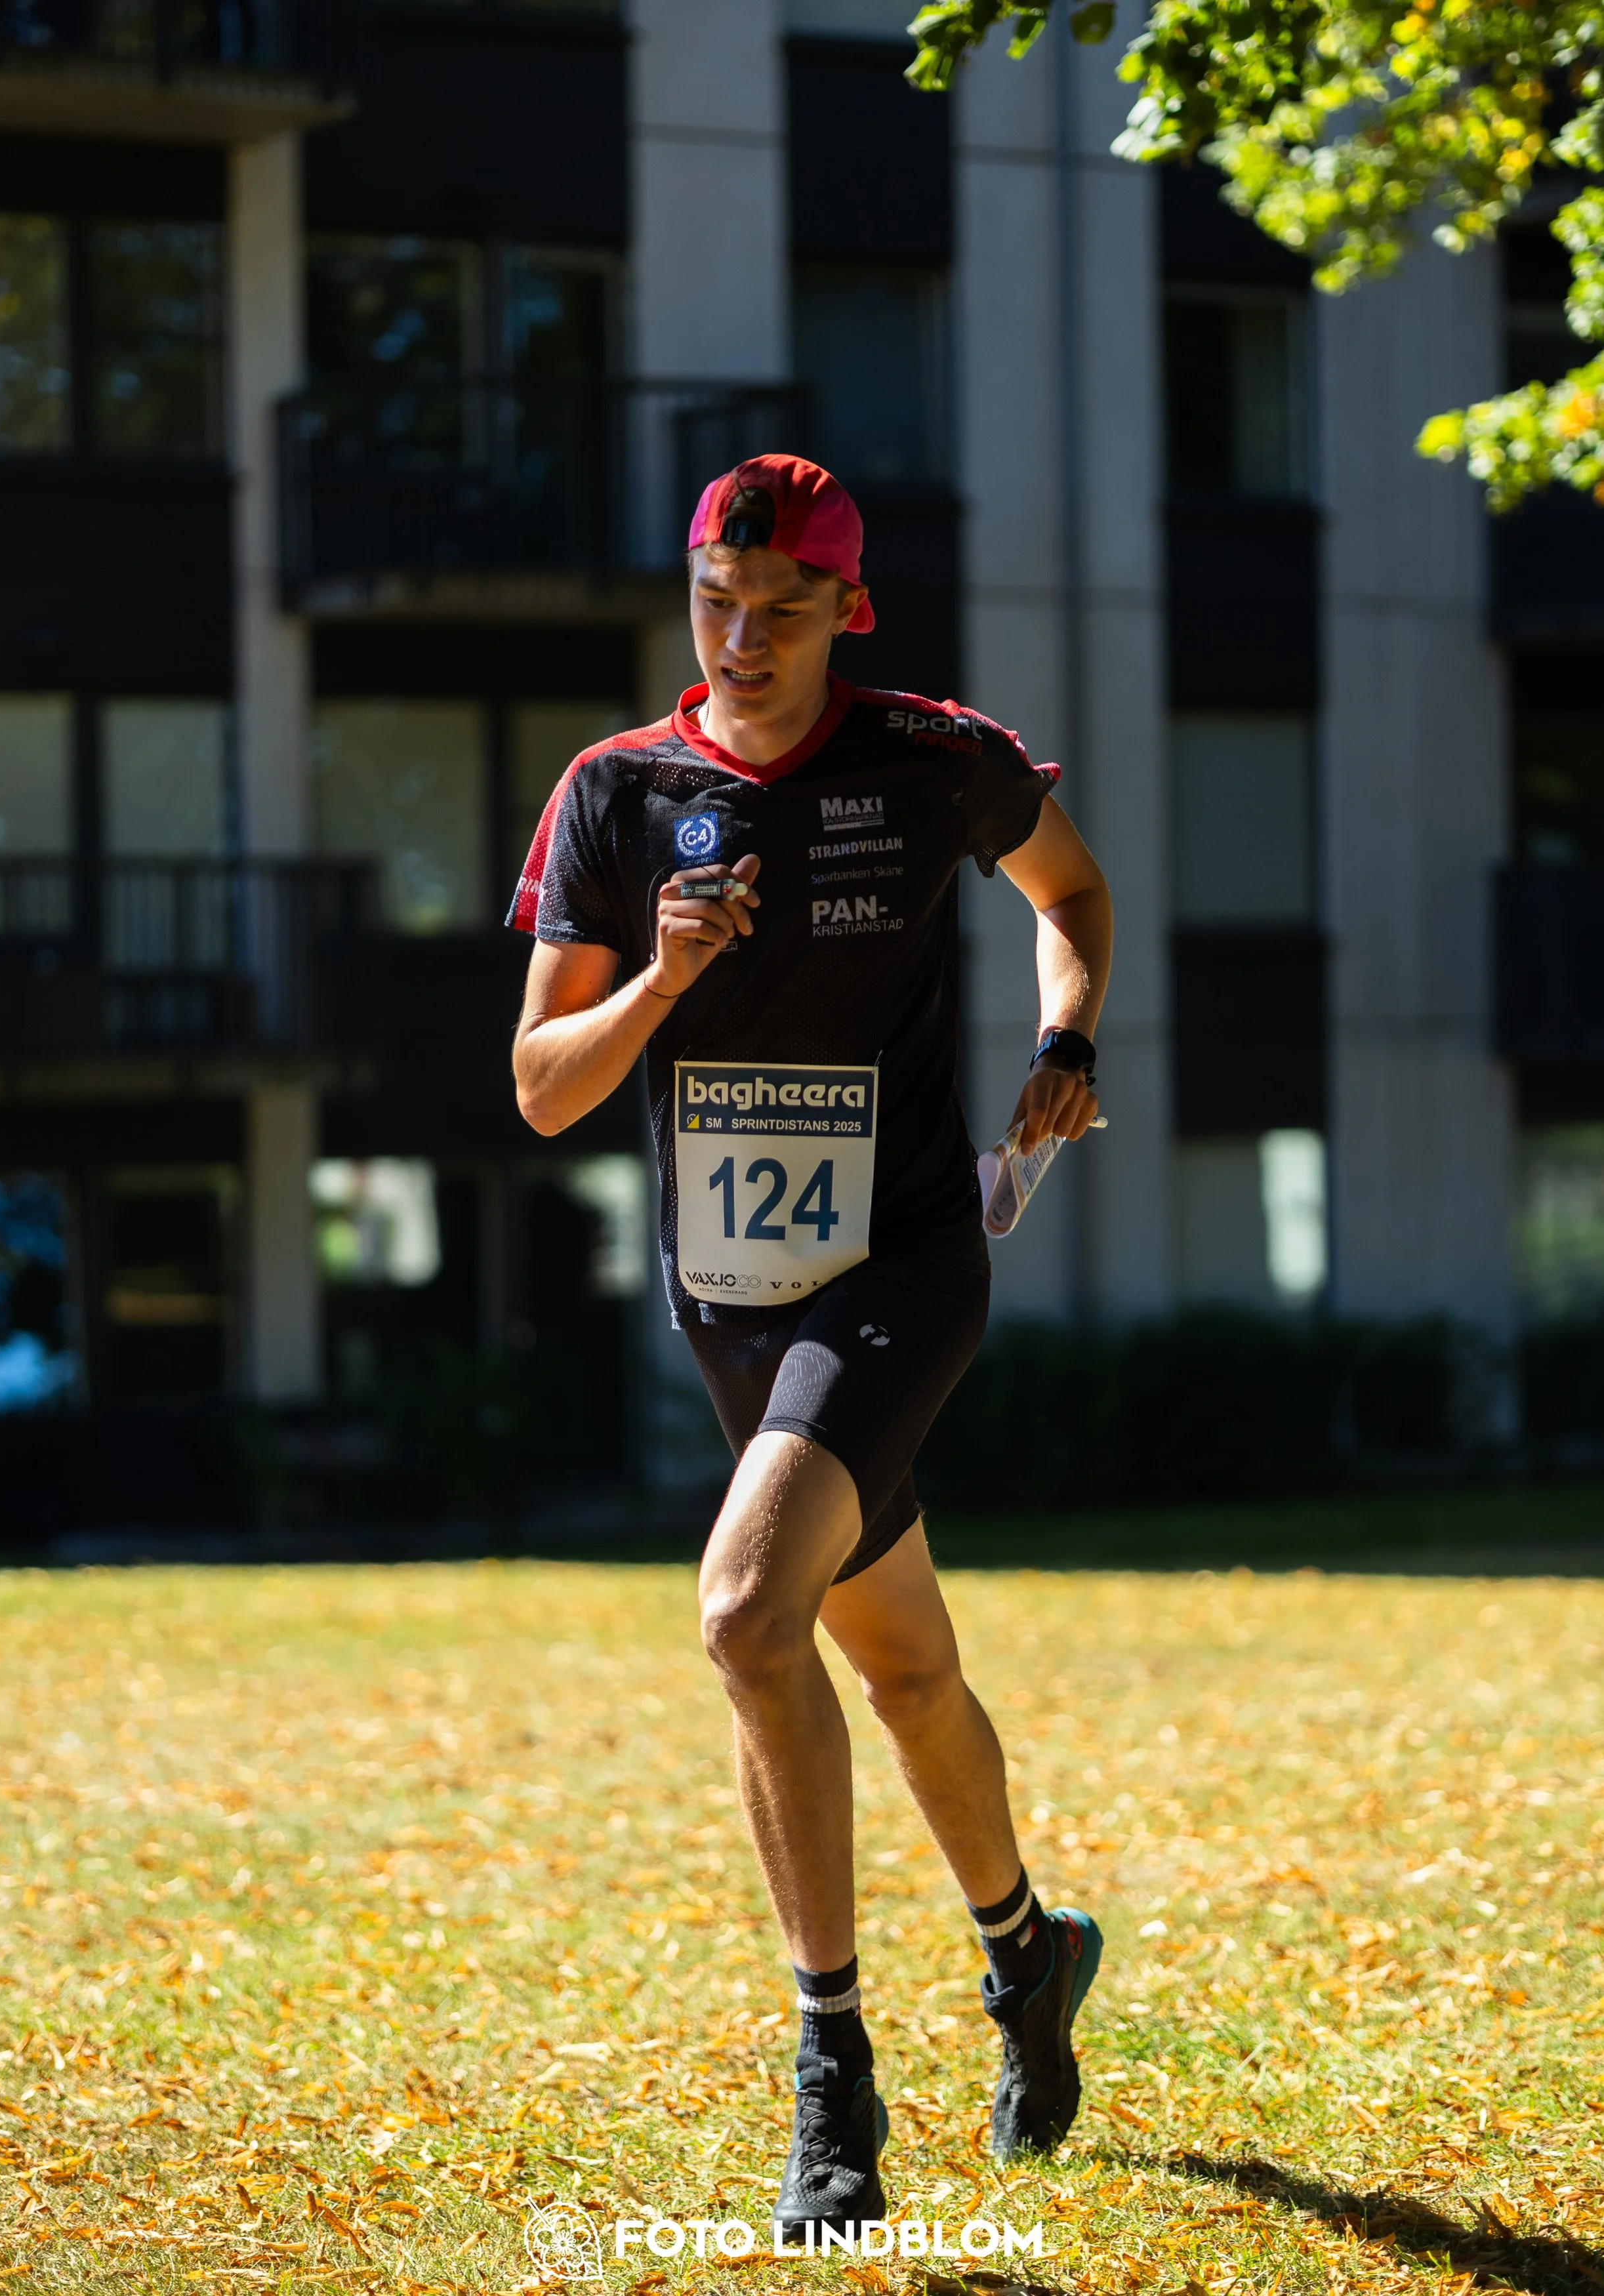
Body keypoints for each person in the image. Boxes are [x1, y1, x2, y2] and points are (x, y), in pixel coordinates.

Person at [511, 454, 1113, 2242]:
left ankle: (830, 2070)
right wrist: (663, 981)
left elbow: (1070, 895)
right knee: (904, 1669)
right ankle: (1030, 1953)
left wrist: (1065, 1041)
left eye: (782, 609)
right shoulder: (618, 793)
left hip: (905, 1260)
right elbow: (542, 1088)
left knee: (742, 1614)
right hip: (735, 1301)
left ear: (849, 610)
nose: (744, 637)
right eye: (718, 601)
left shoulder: (934, 760)